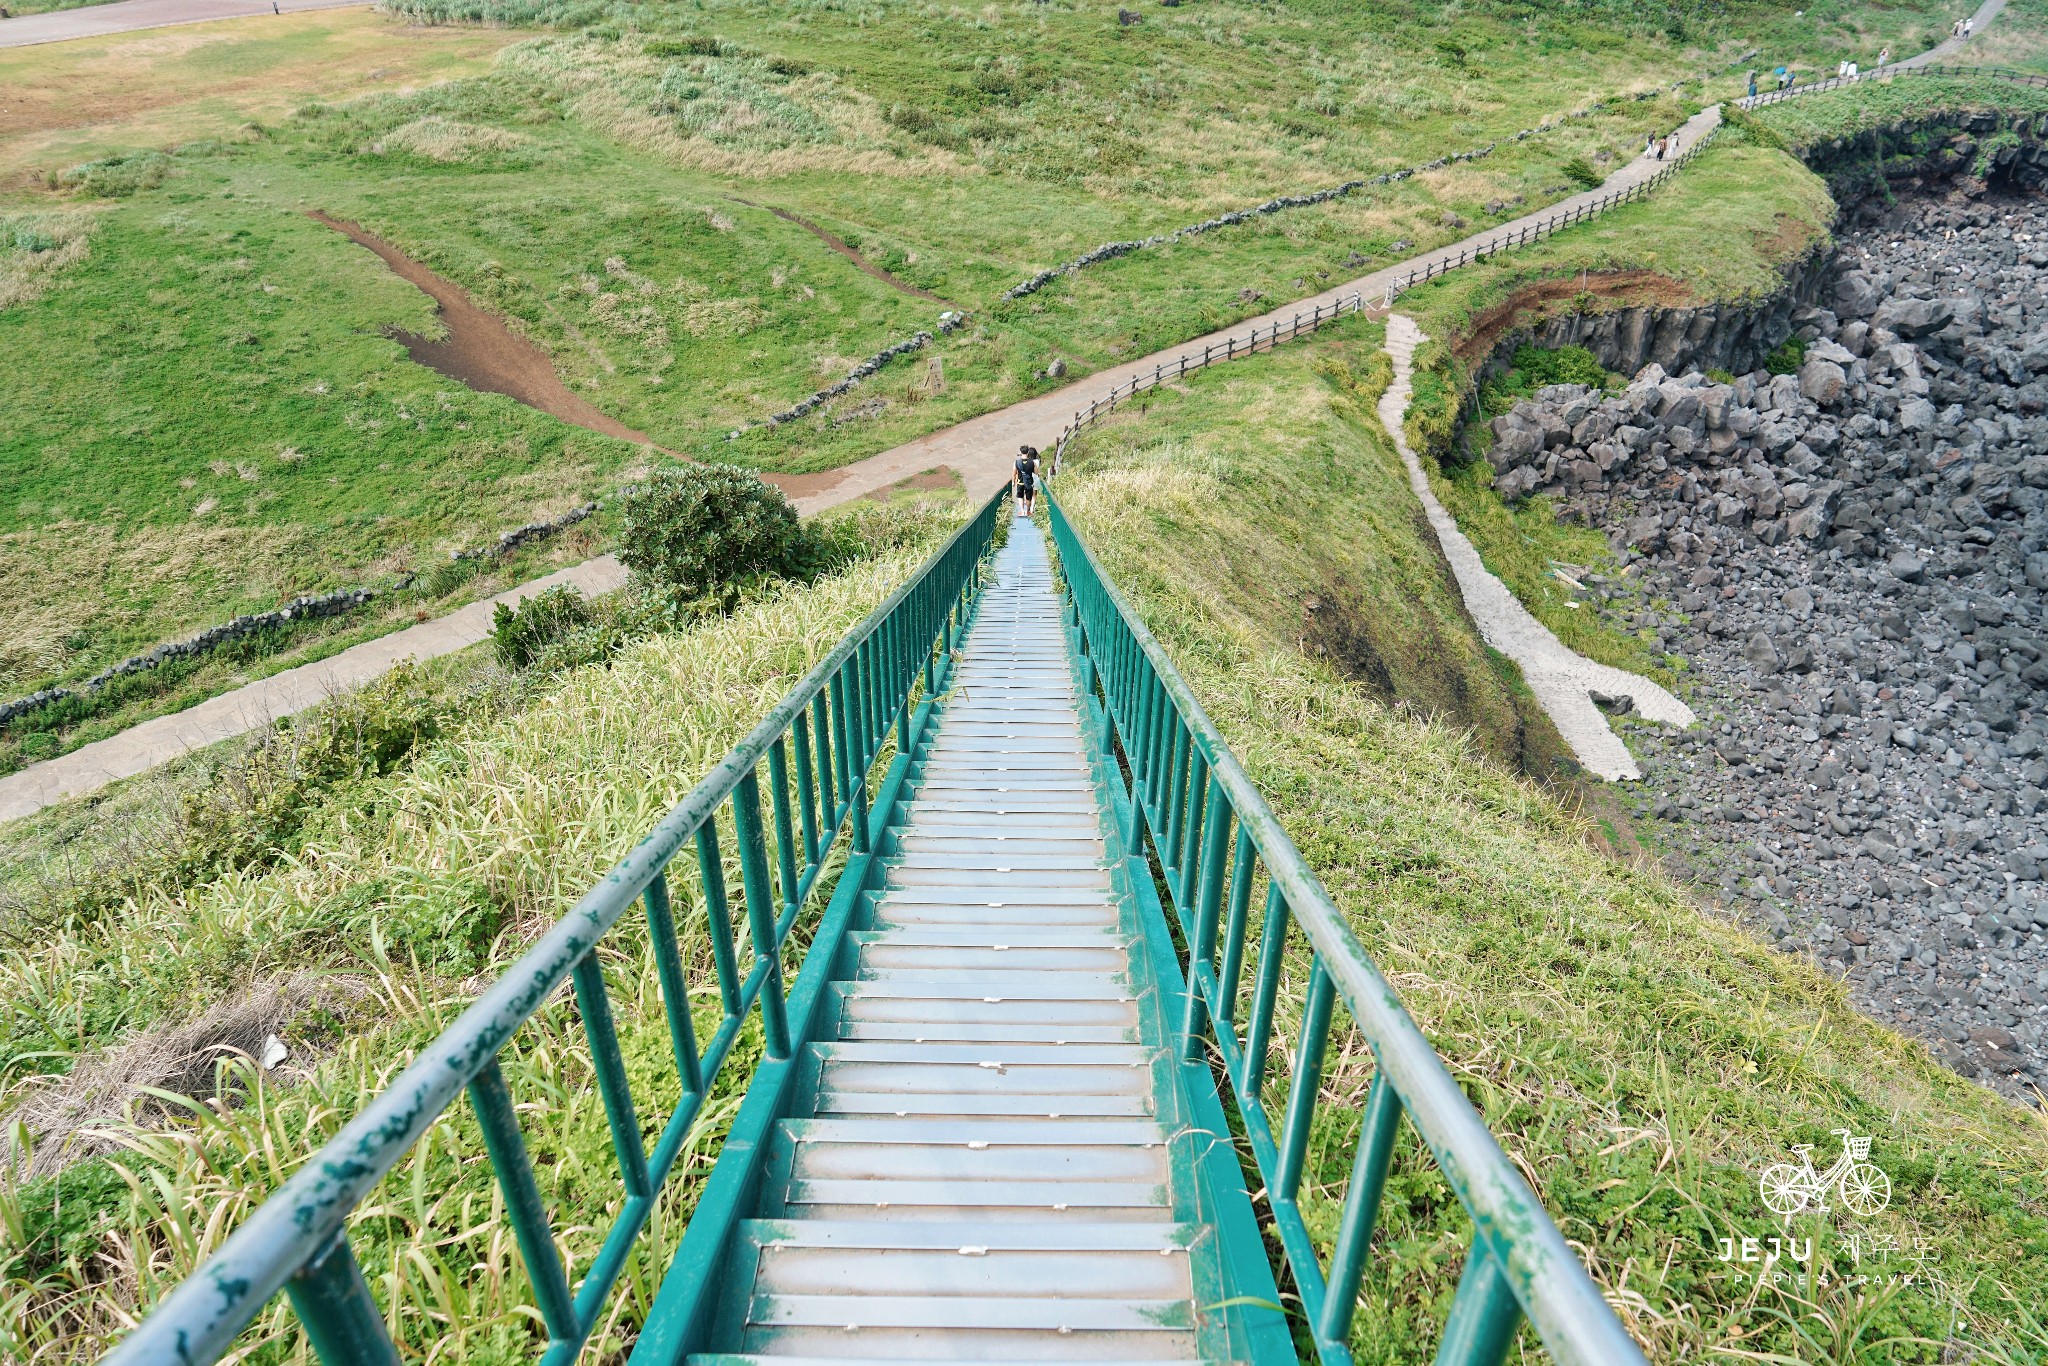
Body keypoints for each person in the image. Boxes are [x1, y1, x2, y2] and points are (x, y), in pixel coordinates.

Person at [1013, 445, 1040, 517]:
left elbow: (1014, 473)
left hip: (1020, 482)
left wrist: (1013, 481)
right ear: (1028, 452)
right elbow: (1036, 473)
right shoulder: (1032, 462)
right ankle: (1028, 511)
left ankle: (1022, 511)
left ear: (1021, 452)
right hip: (1029, 482)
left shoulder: (1017, 462)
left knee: (1020, 497)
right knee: (1029, 498)